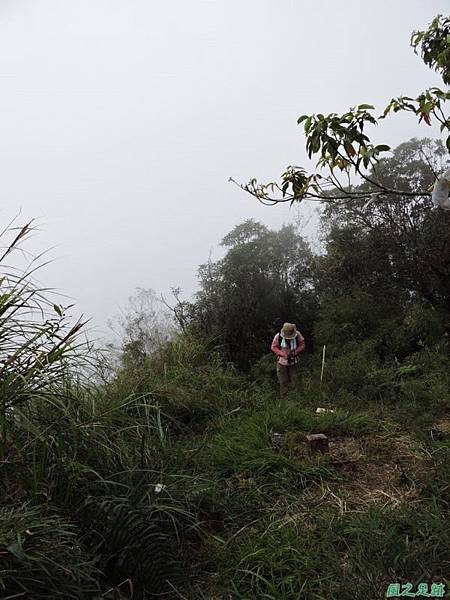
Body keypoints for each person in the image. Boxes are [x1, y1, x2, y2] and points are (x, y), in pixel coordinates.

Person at [270, 322, 305, 396]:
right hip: (282, 362)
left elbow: (302, 345)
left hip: (294, 361)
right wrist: (282, 354)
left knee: (295, 381)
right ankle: (284, 400)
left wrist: (295, 352)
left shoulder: (297, 335)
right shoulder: (278, 336)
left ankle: (296, 398)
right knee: (283, 382)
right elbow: (273, 347)